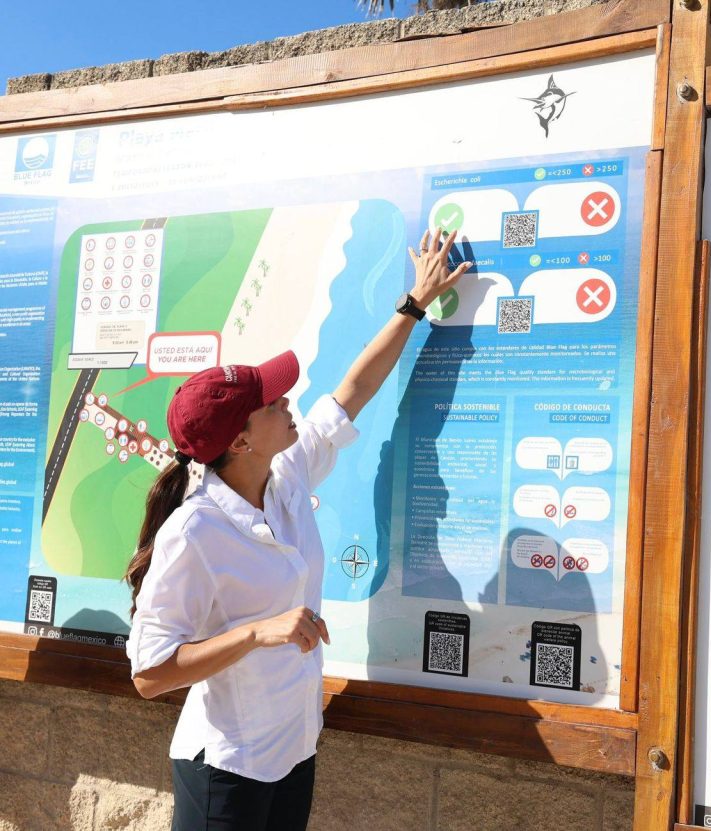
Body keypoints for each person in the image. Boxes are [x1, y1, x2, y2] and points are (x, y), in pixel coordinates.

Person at [124, 228, 471, 831]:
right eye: (272, 403)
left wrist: (414, 305)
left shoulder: (284, 473)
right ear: (239, 442)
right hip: (226, 769)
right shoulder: (195, 532)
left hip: (293, 751)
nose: (288, 402)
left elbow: (352, 393)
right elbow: (150, 674)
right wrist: (257, 632)